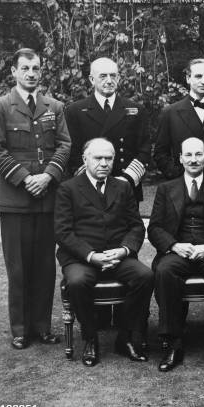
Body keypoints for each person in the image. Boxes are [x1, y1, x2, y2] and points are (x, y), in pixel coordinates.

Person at [0, 47, 71, 350]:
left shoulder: (54, 107)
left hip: (47, 198)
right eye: (25, 69)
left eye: (36, 68)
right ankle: (20, 329)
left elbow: (64, 145)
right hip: (15, 200)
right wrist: (26, 179)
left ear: (42, 70)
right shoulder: (0, 106)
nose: (31, 74)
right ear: (14, 71)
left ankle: (43, 326)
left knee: (45, 266)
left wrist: (48, 176)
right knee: (18, 267)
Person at [55, 138, 154, 367]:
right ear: (85, 159)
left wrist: (123, 250)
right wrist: (91, 256)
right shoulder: (68, 189)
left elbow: (136, 226)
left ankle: (125, 337)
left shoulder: (123, 186)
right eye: (98, 158)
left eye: (108, 158)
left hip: (117, 255)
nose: (103, 163)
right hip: (82, 258)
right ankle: (90, 338)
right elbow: (63, 232)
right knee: (78, 282)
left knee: (145, 277)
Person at [148, 137, 204, 373]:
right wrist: (175, 246)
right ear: (180, 158)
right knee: (165, 271)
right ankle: (173, 343)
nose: (194, 159)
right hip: (178, 250)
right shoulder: (166, 189)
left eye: (198, 154)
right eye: (188, 155)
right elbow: (154, 228)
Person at [65, 57, 150, 201]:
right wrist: (91, 180)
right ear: (92, 79)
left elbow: (145, 149)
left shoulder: (136, 109)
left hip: (126, 187)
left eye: (113, 76)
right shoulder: (75, 111)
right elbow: (72, 152)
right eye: (103, 76)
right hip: (88, 188)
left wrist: (126, 179)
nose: (109, 81)